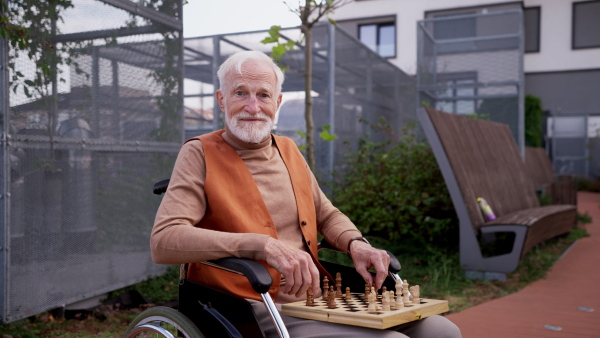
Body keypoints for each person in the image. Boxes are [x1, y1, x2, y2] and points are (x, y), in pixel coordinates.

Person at [151, 50, 461, 338]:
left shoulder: (287, 149)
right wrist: (261, 246)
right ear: (221, 99)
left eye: (263, 95)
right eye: (240, 93)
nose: (253, 107)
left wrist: (356, 244)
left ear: (278, 102)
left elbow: (325, 213)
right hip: (253, 305)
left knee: (441, 331)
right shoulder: (199, 153)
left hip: (316, 296)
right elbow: (164, 241)